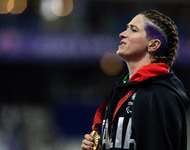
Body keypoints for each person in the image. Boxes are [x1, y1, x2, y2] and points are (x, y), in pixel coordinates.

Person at [81, 10, 189, 150]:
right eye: (127, 28)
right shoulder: (121, 89)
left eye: (133, 29)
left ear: (153, 45)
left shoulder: (160, 93)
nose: (122, 34)